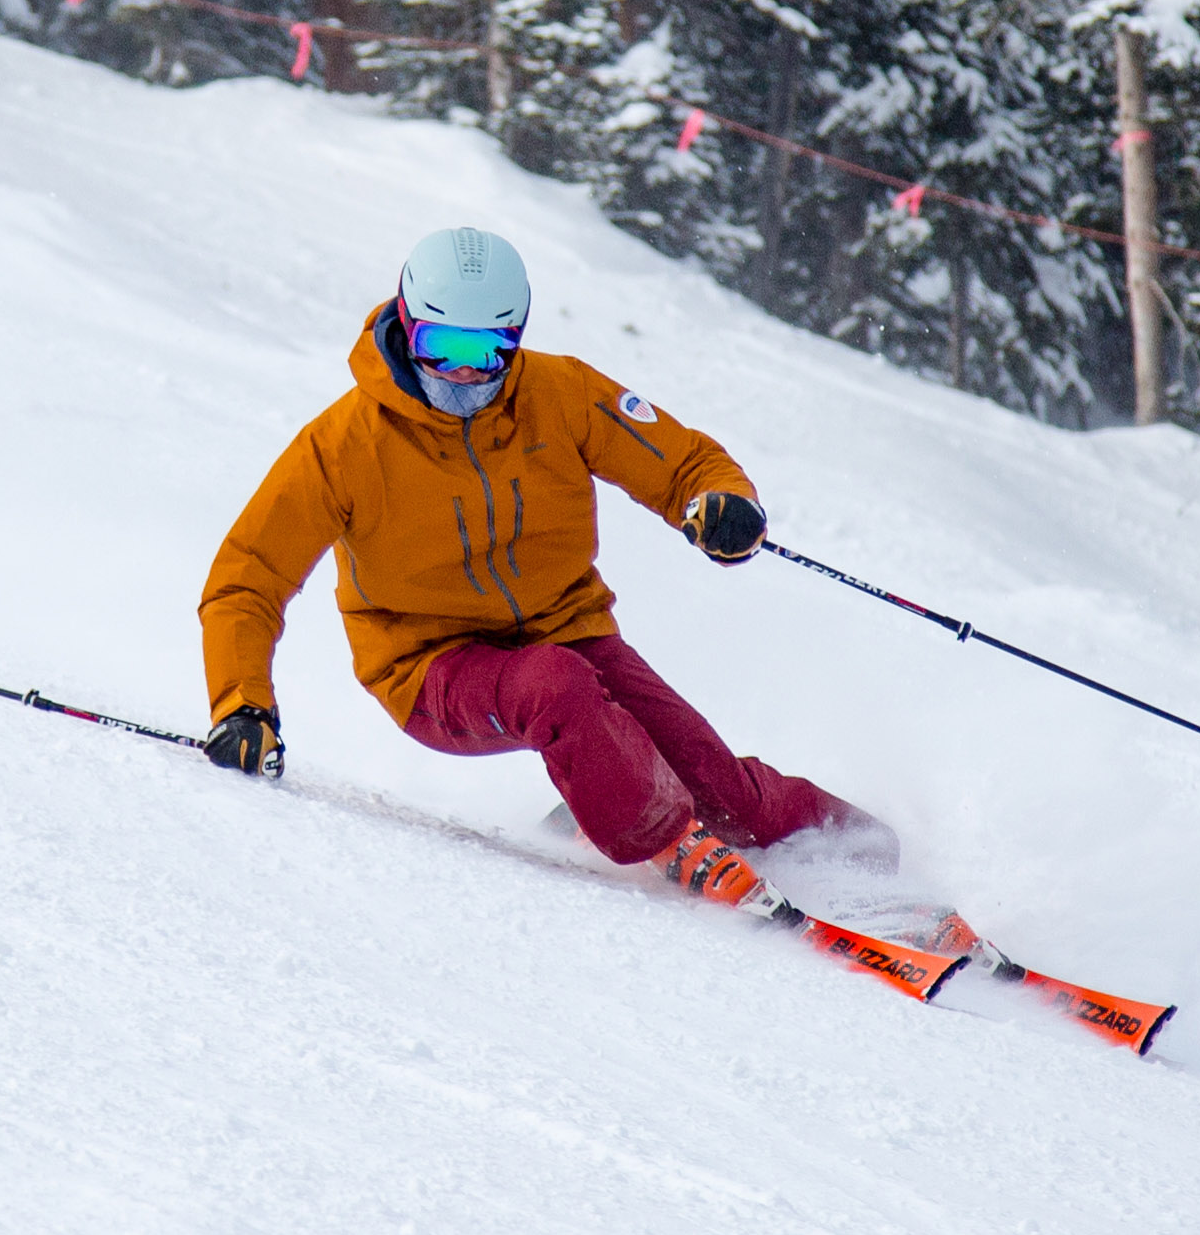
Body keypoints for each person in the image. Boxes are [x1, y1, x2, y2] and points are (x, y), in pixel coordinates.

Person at [198, 227, 896, 915]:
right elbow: (248, 575)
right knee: (553, 687)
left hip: (571, 632)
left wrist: (718, 504)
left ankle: (863, 847)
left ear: (516, 339)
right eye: (440, 347)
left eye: (486, 351)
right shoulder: (344, 444)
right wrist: (242, 704)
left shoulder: (559, 393)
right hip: (430, 666)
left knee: (723, 788)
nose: (462, 373)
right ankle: (667, 838)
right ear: (407, 327)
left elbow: (682, 461)